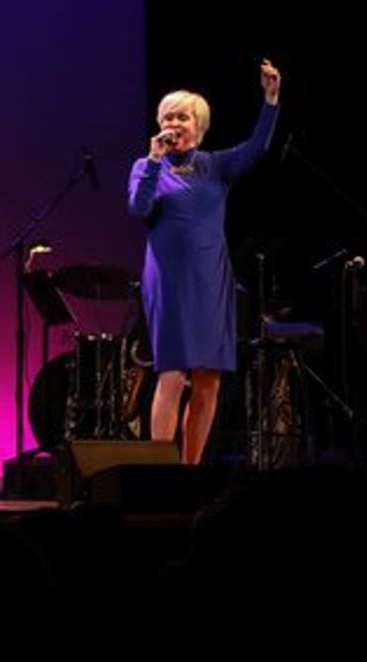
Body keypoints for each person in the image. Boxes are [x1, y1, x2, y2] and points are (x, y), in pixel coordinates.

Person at [128, 59, 281, 464]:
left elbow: (258, 147)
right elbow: (139, 208)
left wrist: (270, 100)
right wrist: (154, 163)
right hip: (170, 280)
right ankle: (162, 470)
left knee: (208, 380)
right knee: (173, 373)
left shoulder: (215, 166)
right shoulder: (146, 167)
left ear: (198, 126)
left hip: (211, 281)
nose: (175, 123)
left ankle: (190, 471)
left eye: (183, 117)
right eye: (168, 116)